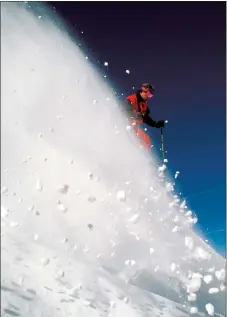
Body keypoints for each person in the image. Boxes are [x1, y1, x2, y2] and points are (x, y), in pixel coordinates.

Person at [122, 83, 165, 149]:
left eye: (150, 95)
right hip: (123, 123)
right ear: (143, 91)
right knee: (130, 137)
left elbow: (146, 118)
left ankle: (143, 157)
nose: (148, 96)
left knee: (146, 140)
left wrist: (156, 124)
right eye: (148, 94)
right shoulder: (132, 98)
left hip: (134, 127)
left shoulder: (145, 105)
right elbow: (123, 108)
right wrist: (134, 114)